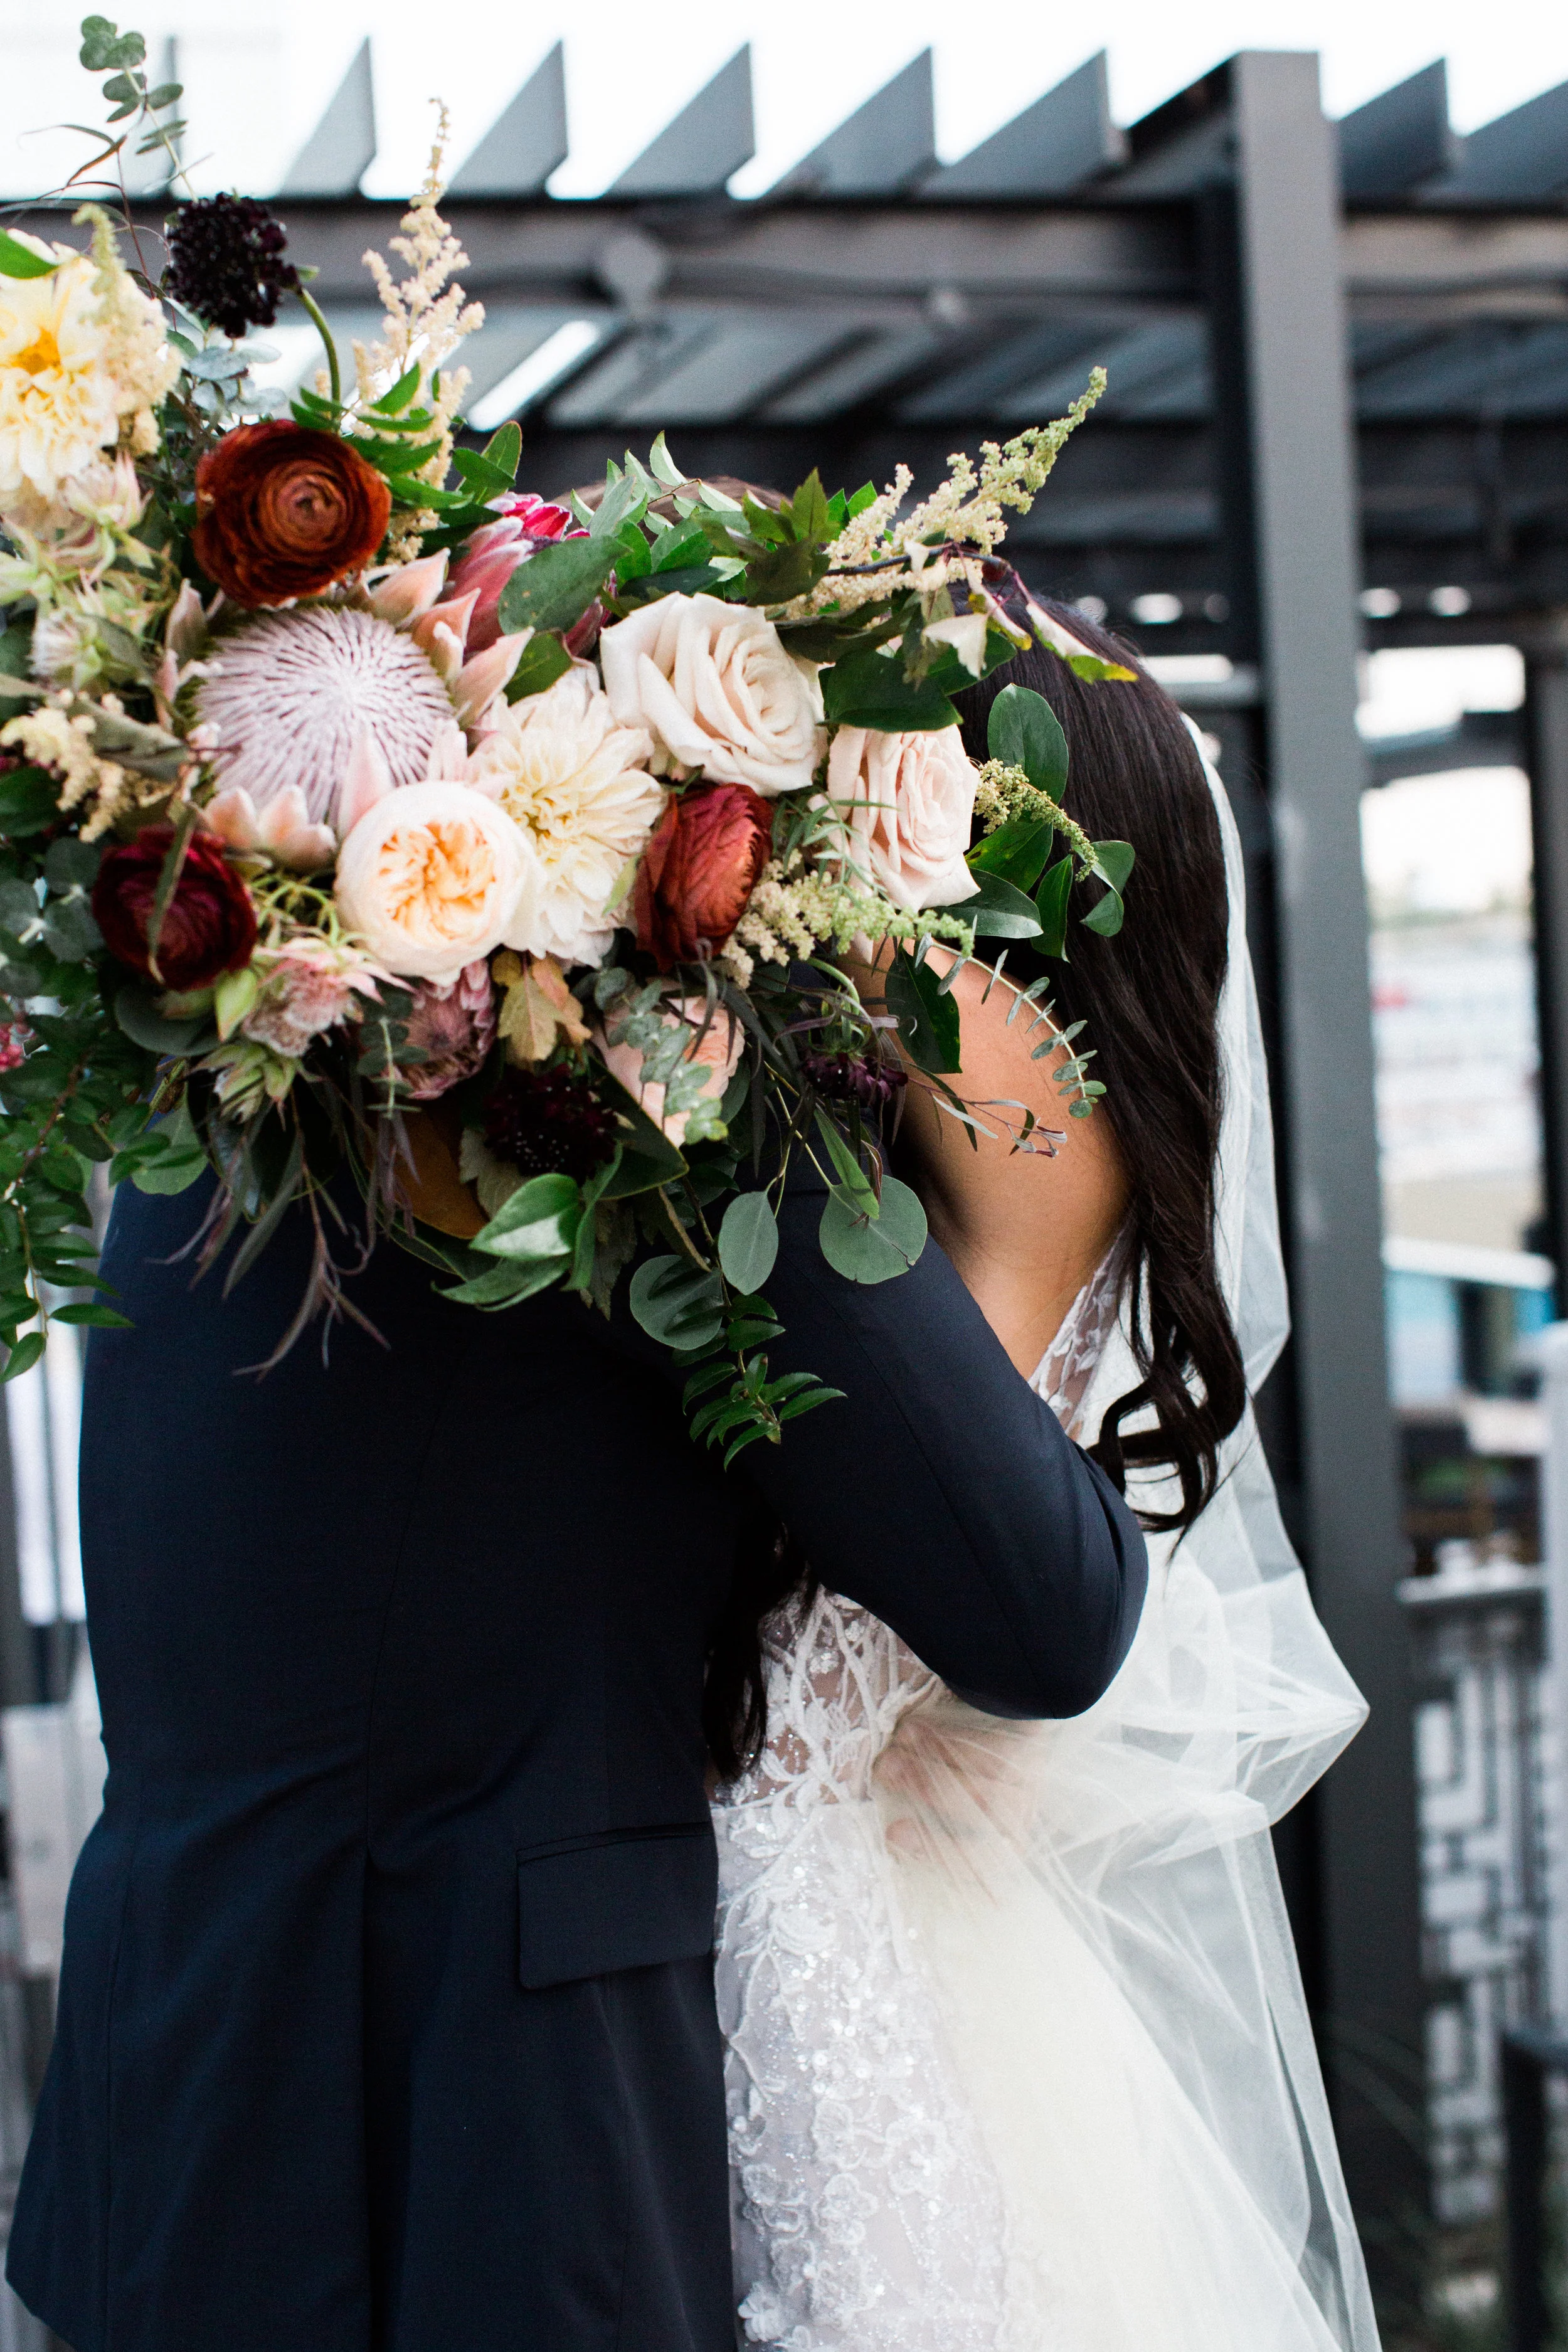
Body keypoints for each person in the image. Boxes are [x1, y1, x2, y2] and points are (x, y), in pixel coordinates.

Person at [4, 954, 1146, 2335]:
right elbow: (1048, 1614)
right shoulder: (620, 1072)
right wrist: (1044, 1221)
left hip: (174, 2090)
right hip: (477, 2161)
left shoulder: (245, 1017)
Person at [711, 613, 1379, 2351]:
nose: (849, 904)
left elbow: (894, 1646)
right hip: (806, 1966)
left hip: (843, 1998)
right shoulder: (871, 1186)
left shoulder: (1026, 1229)